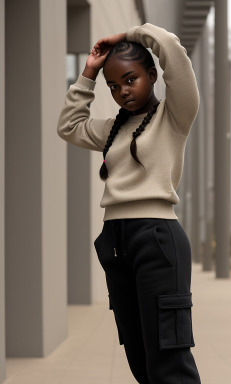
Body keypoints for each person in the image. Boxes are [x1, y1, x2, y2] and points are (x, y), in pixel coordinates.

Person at [57, 22, 201, 384]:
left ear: (152, 75)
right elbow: (70, 126)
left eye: (130, 79)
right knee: (140, 359)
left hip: (156, 238)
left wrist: (127, 37)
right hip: (116, 241)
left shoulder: (175, 117)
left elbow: (168, 45)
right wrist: (89, 72)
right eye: (114, 86)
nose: (122, 91)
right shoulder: (113, 129)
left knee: (169, 360)